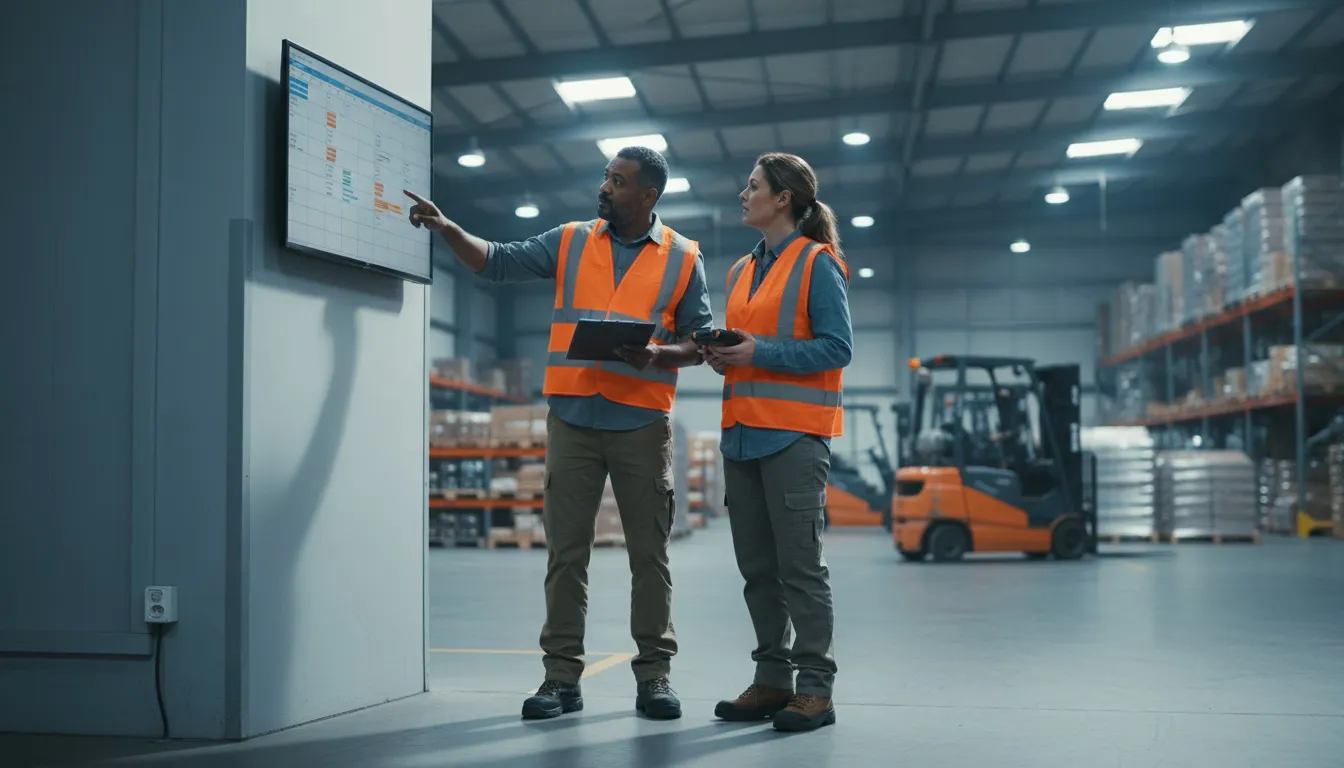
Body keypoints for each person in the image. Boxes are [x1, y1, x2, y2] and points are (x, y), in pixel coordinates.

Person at [403, 146, 712, 721]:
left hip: (642, 424)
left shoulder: (683, 256)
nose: (605, 187)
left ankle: (655, 676)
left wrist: (657, 354)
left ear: (648, 195)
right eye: (606, 177)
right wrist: (448, 229)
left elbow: (700, 342)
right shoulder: (571, 239)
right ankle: (561, 679)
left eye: (618, 181)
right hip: (572, 420)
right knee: (566, 556)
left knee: (649, 557)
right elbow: (496, 261)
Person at [701, 152, 852, 732]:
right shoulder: (743, 269)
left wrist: (758, 352)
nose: (744, 195)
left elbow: (837, 348)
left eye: (753, 186)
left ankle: (815, 690)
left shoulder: (818, 262)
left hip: (793, 437)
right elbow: (750, 344)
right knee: (758, 571)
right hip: (742, 436)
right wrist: (726, 356)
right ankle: (771, 680)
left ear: (783, 198)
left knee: (801, 570)